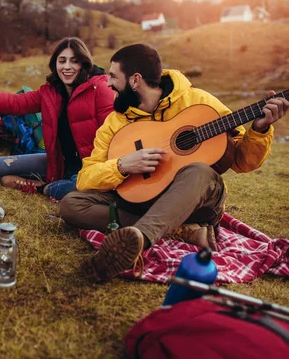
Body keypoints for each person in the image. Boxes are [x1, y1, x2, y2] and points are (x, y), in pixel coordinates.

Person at [59, 43, 289, 282]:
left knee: (199, 170)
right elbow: (85, 179)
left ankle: (138, 238)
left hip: (197, 202)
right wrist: (122, 166)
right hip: (142, 199)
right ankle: (182, 233)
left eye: (114, 76)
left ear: (135, 80)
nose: (107, 83)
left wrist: (260, 129)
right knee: (71, 204)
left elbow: (242, 162)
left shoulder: (199, 102)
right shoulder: (114, 122)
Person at [0, 37, 115, 201]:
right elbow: (14, 103)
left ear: (84, 63)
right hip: (59, 162)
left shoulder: (100, 88)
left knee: (70, 191)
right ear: (55, 64)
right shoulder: (50, 92)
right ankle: (54, 185)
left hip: (91, 169)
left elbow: (113, 137)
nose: (67, 67)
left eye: (74, 61)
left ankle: (43, 187)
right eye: (62, 61)